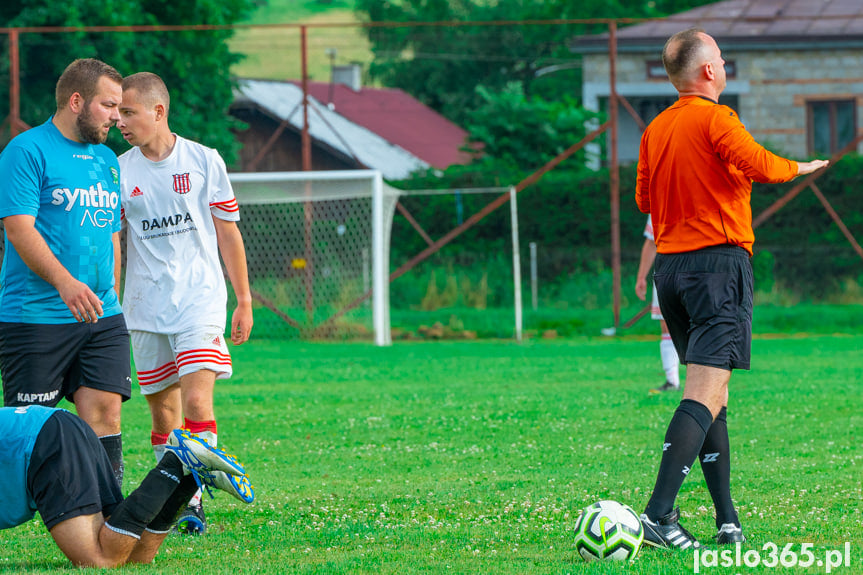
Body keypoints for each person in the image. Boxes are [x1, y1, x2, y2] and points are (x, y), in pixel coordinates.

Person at [635, 27, 829, 550]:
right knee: (702, 391)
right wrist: (801, 166)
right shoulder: (717, 117)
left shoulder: (656, 128)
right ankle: (657, 515)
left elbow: (644, 199)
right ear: (707, 72)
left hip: (671, 271)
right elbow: (762, 165)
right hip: (716, 269)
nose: (723, 65)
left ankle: (727, 520)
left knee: (713, 393)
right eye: (720, 58)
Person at [117, 71, 254, 535]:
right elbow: (117, 244)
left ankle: (192, 504)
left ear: (159, 111)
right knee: (163, 413)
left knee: (197, 399)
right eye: (116, 111)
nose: (120, 120)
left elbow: (228, 232)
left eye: (128, 112)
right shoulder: (118, 169)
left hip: (199, 300)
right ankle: (183, 495)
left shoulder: (204, 160)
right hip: (143, 307)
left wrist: (245, 299)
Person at [0, 59, 130, 486]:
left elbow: (112, 231)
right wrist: (65, 283)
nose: (117, 116)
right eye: (109, 105)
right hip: (36, 316)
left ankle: (107, 511)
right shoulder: (27, 150)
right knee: (33, 429)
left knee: (106, 411)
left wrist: (113, 292)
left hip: (102, 314)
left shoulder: (108, 160)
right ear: (77, 101)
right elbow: (18, 228)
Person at [0, 404, 254, 568]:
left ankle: (176, 463)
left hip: (41, 440)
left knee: (98, 559)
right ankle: (189, 475)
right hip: (61, 425)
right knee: (136, 557)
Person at [635, 216, 682, 393]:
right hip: (667, 268)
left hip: (699, 266)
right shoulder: (660, 195)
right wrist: (641, 276)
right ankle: (672, 381)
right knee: (666, 323)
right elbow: (651, 241)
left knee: (700, 323)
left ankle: (703, 382)